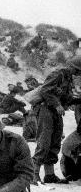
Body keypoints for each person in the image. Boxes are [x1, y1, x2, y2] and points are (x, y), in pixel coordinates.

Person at [32, 55, 81, 183]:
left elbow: (66, 98)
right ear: (72, 67)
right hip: (46, 109)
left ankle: (49, 175)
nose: (78, 74)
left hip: (56, 111)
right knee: (44, 141)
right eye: (77, 71)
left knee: (55, 141)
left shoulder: (69, 79)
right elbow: (45, 90)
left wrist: (78, 100)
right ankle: (33, 174)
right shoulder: (58, 74)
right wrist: (57, 104)